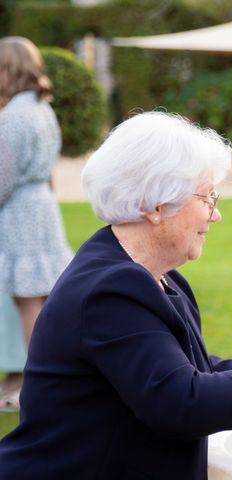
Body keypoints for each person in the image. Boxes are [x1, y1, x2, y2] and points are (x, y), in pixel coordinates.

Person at [0, 111, 232, 479]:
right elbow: (181, 404)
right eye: (206, 197)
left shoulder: (158, 277)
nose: (215, 215)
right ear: (155, 206)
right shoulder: (109, 290)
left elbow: (195, 373)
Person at [0, 36, 73, 409]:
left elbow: (3, 176)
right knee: (42, 298)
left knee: (28, 299)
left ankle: (34, 383)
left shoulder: (13, 115)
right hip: (43, 204)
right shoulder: (42, 108)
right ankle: (44, 375)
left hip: (21, 210)